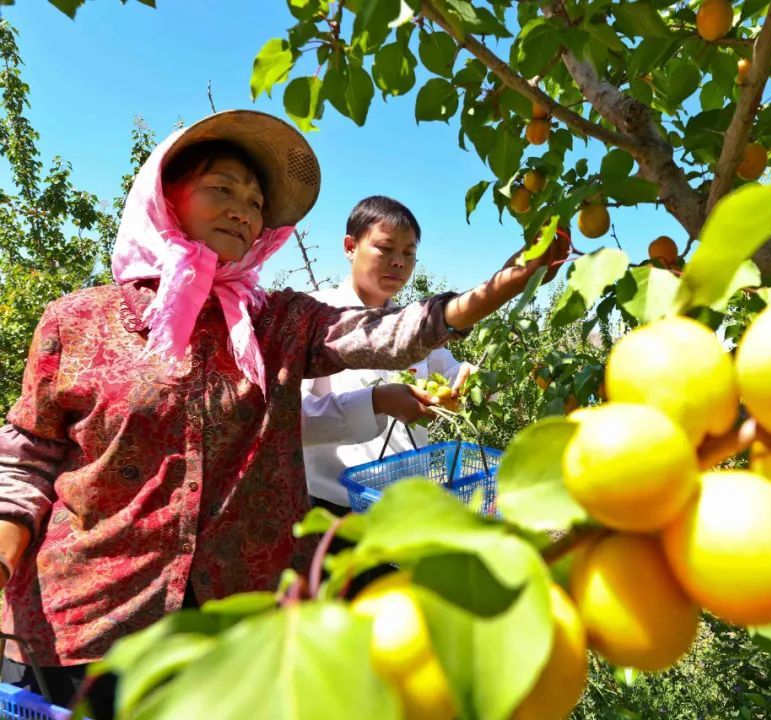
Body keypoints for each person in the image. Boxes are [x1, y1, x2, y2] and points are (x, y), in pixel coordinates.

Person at [0, 110, 567, 715]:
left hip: (231, 624)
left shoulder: (277, 323)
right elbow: (28, 451)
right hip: (87, 614)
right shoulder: (78, 320)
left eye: (255, 200)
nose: (243, 209)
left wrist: (502, 285)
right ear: (168, 196)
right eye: (223, 188)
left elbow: (387, 334)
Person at [301, 195, 476, 513]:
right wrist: (375, 403)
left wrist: (470, 381)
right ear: (350, 246)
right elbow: (296, 419)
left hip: (401, 507)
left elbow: (452, 373)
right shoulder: (313, 318)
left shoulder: (413, 329)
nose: (399, 262)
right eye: (385, 248)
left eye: (409, 253)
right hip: (333, 509)